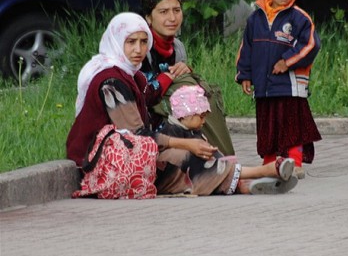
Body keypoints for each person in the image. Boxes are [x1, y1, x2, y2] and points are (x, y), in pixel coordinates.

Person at [66, 12, 295, 196]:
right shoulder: (111, 81)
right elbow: (138, 136)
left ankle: (241, 183)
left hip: (130, 148)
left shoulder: (130, 74)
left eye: (144, 42)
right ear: (116, 42)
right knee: (183, 156)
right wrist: (185, 146)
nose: (138, 50)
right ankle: (257, 174)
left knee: (190, 138)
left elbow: (149, 99)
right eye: (131, 42)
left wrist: (171, 79)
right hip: (105, 160)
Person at [235, 0, 322, 180]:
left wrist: (287, 61)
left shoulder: (299, 18)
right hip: (263, 85)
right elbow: (246, 48)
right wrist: (244, 75)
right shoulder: (255, 19)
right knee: (268, 125)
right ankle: (270, 164)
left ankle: (295, 162)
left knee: (290, 124)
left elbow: (311, 44)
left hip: (290, 85)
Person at [139, 0, 235, 156]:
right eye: (163, 12)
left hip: (173, 111)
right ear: (148, 18)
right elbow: (140, 92)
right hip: (147, 119)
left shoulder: (177, 46)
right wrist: (167, 78)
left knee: (203, 94)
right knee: (192, 97)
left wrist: (185, 69)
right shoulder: (141, 46)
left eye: (176, 10)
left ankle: (226, 163)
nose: (172, 17)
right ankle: (224, 166)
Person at [157, 84, 298, 195]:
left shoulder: (194, 131)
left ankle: (251, 185)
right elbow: (178, 159)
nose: (204, 121)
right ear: (185, 115)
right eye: (201, 116)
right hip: (186, 177)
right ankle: (265, 171)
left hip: (200, 174)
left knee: (222, 166)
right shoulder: (171, 131)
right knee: (216, 168)